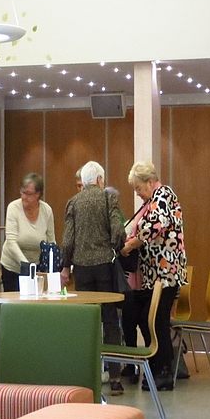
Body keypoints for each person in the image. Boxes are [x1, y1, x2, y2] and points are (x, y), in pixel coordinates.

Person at [119, 161, 187, 391]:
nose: (137, 193)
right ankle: (157, 367)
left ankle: (163, 372)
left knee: (157, 321)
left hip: (166, 273)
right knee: (147, 318)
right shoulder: (152, 200)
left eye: (138, 188)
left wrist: (129, 246)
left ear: (149, 182)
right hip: (155, 275)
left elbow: (153, 227)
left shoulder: (163, 195)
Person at [61, 160, 125, 393]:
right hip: (105, 267)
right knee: (110, 320)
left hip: (82, 268)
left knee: (87, 320)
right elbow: (118, 230)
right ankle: (115, 377)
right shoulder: (109, 198)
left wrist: (65, 266)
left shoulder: (73, 202)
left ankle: (86, 376)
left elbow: (67, 240)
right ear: (99, 180)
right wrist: (114, 247)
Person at [0, 173, 55, 292]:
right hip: (13, 267)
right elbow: (11, 241)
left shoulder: (47, 210)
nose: (24, 197)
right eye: (22, 192)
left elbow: (51, 241)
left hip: (35, 267)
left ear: (38, 194)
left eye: (28, 194)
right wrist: (26, 265)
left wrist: (53, 266)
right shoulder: (13, 208)